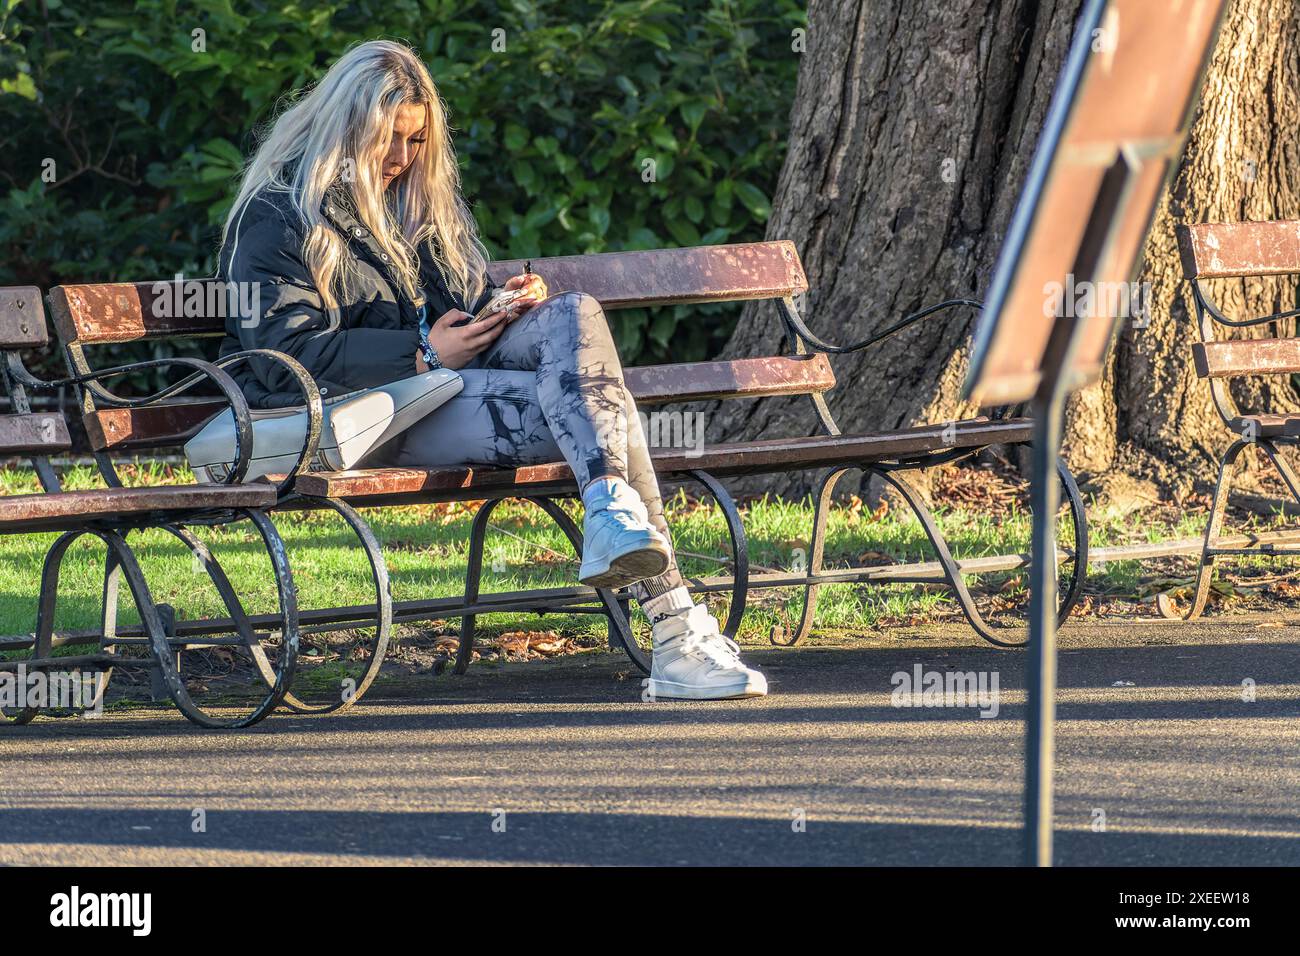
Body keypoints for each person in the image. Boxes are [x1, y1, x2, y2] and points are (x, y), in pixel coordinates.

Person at [215, 39, 766, 700]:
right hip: (355, 417)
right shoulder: (277, 215)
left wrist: (499, 309)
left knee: (572, 314)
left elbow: (458, 308)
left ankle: (614, 519)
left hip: (442, 393)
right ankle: (675, 633)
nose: (400, 158)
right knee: (604, 410)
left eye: (416, 142)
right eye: (387, 139)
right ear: (345, 129)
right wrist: (420, 356)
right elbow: (285, 355)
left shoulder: (416, 205)